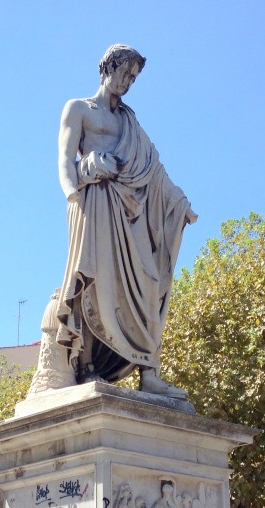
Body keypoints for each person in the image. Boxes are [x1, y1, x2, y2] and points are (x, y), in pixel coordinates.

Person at [54, 44, 196, 399]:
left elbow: (154, 169)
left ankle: (149, 372)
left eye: (133, 78)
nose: (128, 82)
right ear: (107, 68)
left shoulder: (129, 121)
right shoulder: (78, 108)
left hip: (131, 211)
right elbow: (65, 158)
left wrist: (177, 201)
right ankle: (87, 366)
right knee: (94, 279)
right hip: (94, 201)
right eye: (124, 73)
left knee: (148, 282)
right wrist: (73, 190)